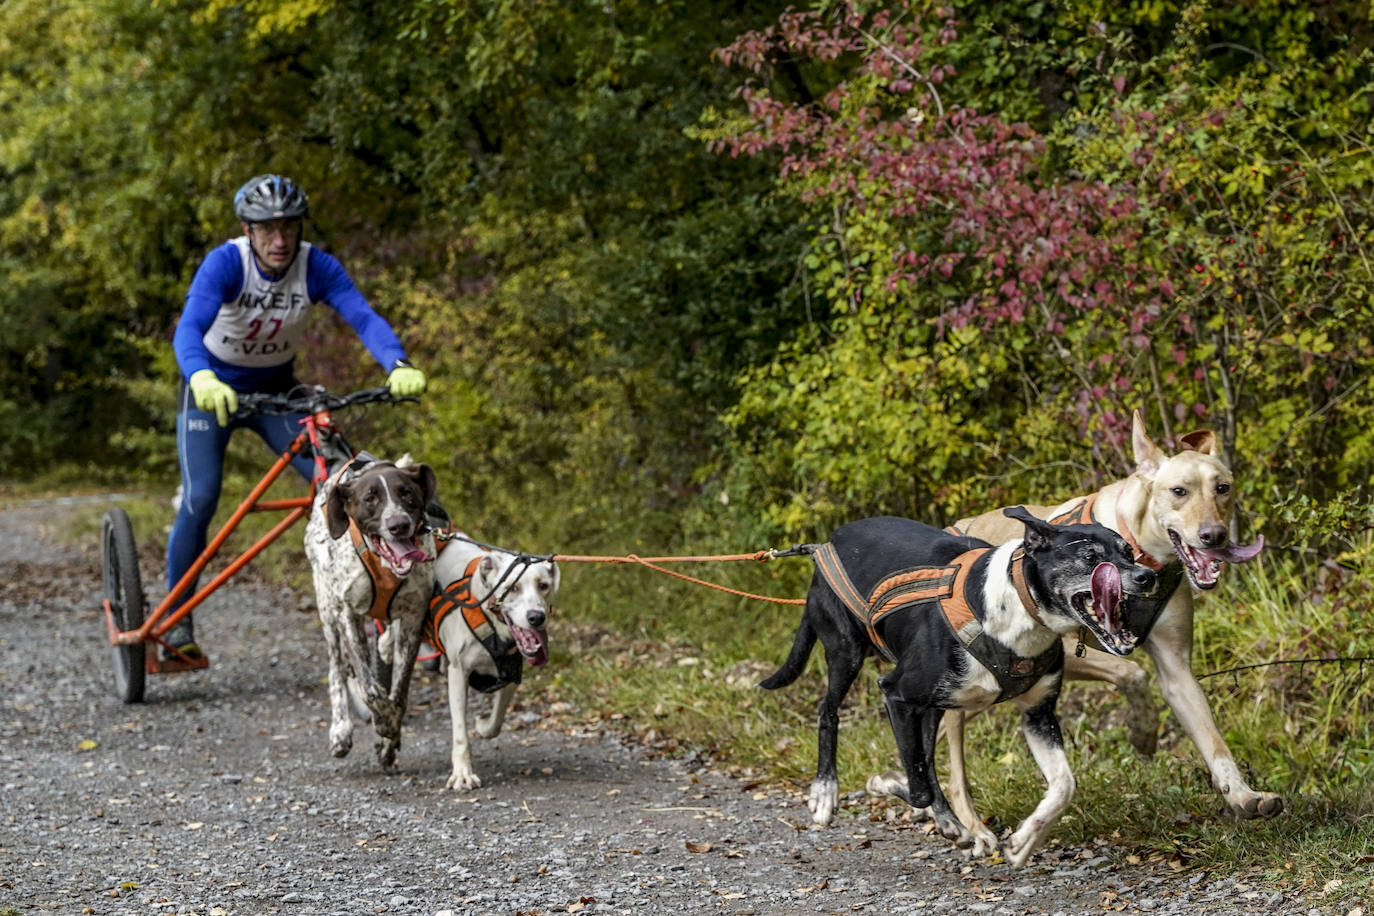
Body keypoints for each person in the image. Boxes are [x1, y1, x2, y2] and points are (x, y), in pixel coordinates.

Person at [165, 174, 427, 658]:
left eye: (289, 227)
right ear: (247, 229)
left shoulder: (315, 265)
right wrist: (202, 377)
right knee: (201, 498)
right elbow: (189, 328)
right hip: (211, 392)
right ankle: (176, 620)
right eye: (267, 229)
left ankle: (389, 607)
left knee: (352, 482)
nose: (279, 239)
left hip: (277, 393)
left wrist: (397, 362)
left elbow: (363, 317)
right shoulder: (226, 263)